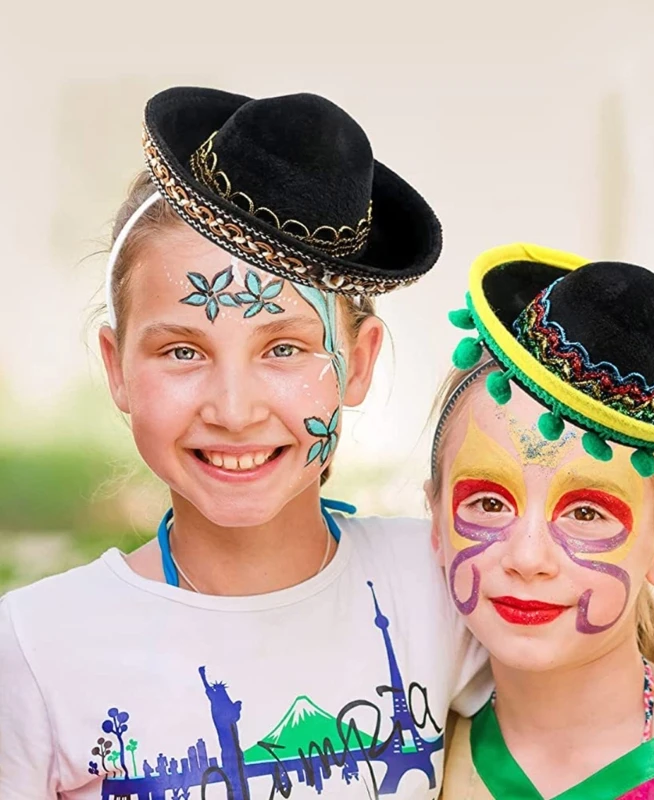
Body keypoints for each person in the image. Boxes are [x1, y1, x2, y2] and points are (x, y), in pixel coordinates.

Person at [0, 86, 488, 800]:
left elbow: (586, 730)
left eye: (285, 348)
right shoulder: (36, 649)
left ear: (356, 364)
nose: (233, 409)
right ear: (117, 368)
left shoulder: (441, 585)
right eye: (181, 352)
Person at [428, 242, 654, 799]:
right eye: (488, 503)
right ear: (434, 522)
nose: (528, 557)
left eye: (586, 512)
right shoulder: (398, 757)